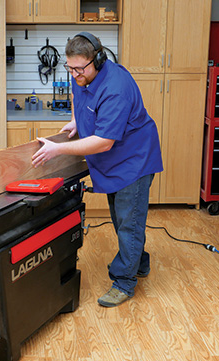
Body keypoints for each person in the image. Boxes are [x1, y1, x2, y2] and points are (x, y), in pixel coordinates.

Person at [32, 32, 163, 307]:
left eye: (80, 69)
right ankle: (139, 262)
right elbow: (77, 93)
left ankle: (124, 283)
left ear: (99, 60)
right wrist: (76, 120)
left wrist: (57, 149)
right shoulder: (80, 72)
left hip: (133, 160)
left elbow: (104, 142)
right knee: (123, 219)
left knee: (128, 222)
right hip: (113, 160)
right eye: (70, 68)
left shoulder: (116, 87)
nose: (75, 74)